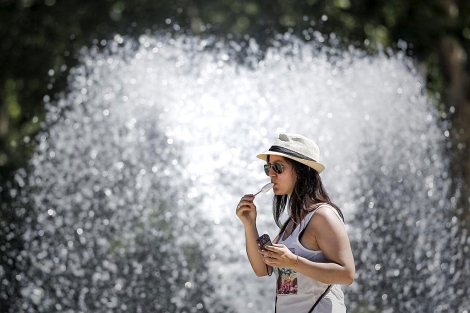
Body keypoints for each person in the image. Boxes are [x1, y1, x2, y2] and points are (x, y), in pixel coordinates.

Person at [236, 133, 355, 312]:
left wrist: (293, 262)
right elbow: (262, 269)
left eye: (278, 167)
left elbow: (347, 275)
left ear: (303, 169)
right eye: (268, 167)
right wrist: (250, 225)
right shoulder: (292, 223)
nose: (271, 174)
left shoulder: (323, 216)